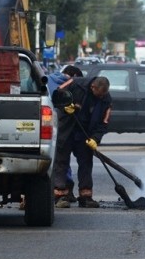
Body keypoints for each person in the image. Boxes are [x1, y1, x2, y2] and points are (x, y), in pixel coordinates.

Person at [51, 76, 112, 208]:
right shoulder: (76, 83)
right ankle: (60, 196)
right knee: (61, 162)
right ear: (93, 87)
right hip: (67, 129)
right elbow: (57, 94)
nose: (101, 97)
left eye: (103, 95)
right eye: (99, 94)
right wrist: (65, 106)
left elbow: (104, 123)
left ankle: (85, 196)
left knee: (86, 163)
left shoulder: (106, 100)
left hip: (85, 134)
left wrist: (95, 139)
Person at [47, 65, 84, 203]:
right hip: (58, 124)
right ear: (73, 76)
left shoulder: (48, 78)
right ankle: (63, 191)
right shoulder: (66, 83)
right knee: (62, 160)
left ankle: (61, 190)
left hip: (45, 125)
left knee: (58, 159)